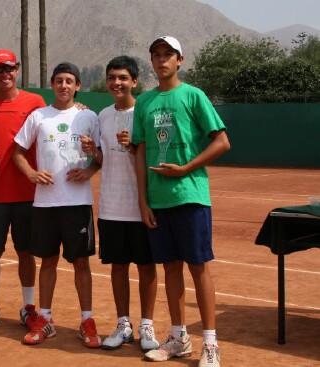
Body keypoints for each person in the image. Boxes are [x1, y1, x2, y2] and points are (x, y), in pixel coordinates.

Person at [132, 37, 230, 367]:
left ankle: (211, 345)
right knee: (170, 268)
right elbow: (141, 151)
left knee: (198, 267)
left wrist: (186, 168)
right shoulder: (144, 102)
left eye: (167, 55)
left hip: (190, 195)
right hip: (158, 201)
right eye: (156, 55)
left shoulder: (193, 95)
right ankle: (179, 338)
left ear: (180, 60)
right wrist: (143, 202)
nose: (161, 60)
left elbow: (222, 141)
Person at [12, 62, 102, 348]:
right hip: (46, 204)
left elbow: (100, 156)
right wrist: (31, 173)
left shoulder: (89, 116)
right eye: (59, 80)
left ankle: (87, 321)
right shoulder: (38, 116)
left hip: (78, 203)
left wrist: (88, 171)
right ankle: (45, 319)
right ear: (52, 84)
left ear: (77, 86)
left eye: (70, 81)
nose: (64, 85)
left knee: (81, 263)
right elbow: (17, 153)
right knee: (47, 261)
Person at [85, 56, 159, 352]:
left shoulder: (146, 111)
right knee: (118, 266)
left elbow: (149, 156)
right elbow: (105, 160)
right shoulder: (102, 115)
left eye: (123, 78)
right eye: (112, 77)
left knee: (146, 266)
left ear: (134, 81)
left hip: (142, 205)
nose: (117, 83)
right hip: (111, 206)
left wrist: (134, 147)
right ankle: (124, 324)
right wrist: (94, 151)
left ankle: (147, 324)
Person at [0, 49, 46, 334]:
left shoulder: (36, 102)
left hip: (28, 193)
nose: (5, 74)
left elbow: (51, 126)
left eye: (10, 68)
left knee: (26, 253)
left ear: (18, 70)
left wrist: (78, 111)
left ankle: (28, 308)